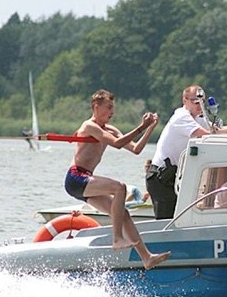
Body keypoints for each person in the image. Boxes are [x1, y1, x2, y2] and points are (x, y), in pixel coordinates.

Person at [64, 89, 170, 270]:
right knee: (119, 188)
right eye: (108, 107)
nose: (112, 112)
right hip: (76, 178)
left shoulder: (110, 129)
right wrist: (141, 126)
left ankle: (146, 258)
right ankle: (117, 239)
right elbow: (117, 144)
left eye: (113, 108)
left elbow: (135, 149)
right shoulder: (89, 127)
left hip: (86, 181)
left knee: (124, 214)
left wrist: (150, 128)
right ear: (96, 107)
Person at [147, 84, 227, 219]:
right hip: (161, 178)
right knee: (169, 219)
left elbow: (218, 130)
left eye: (202, 102)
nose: (200, 105)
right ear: (184, 101)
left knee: (181, 217)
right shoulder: (181, 117)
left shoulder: (198, 118)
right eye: (195, 101)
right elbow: (207, 136)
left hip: (173, 177)